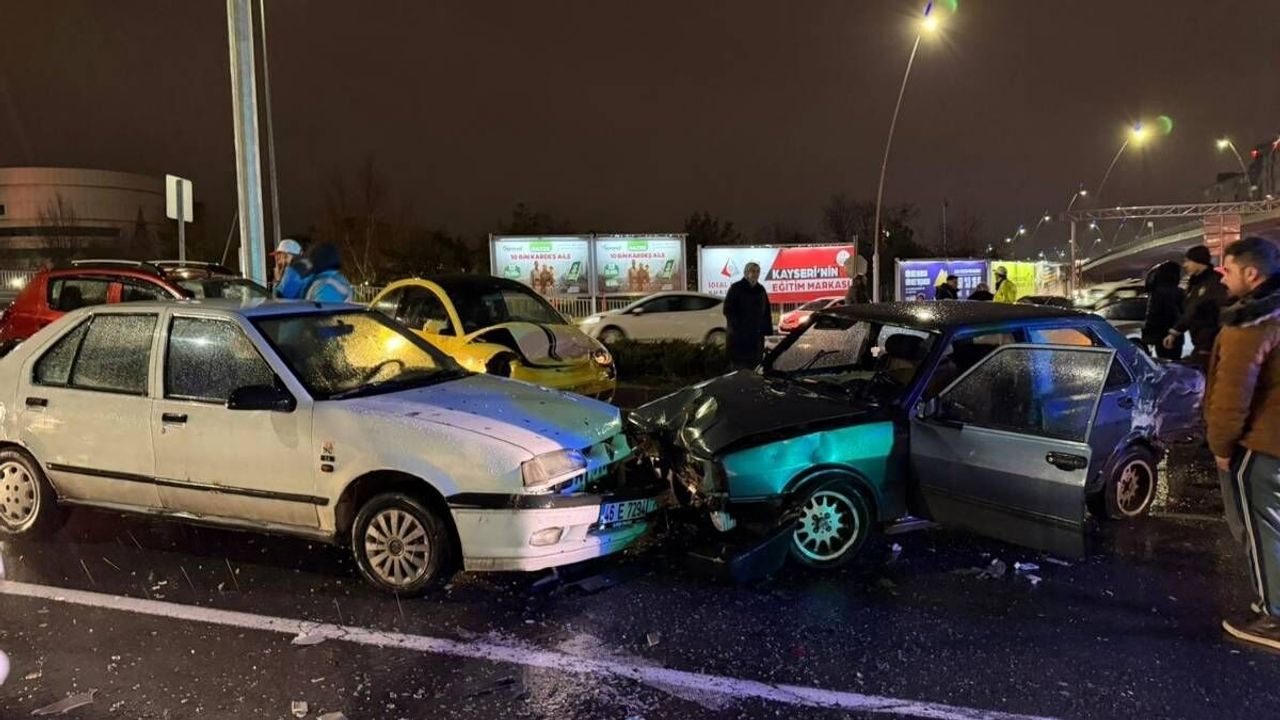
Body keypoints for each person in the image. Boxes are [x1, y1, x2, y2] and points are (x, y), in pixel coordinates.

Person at [1204, 237, 1280, 650]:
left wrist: (1220, 446)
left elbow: (1231, 395)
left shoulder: (1250, 323)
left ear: (1252, 274)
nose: (1223, 277)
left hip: (1261, 447)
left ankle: (1273, 618)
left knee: (1260, 530)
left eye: (1228, 270)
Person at [1164, 245, 1228, 367]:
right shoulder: (1196, 283)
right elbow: (1190, 310)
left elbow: (1194, 310)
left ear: (1198, 261)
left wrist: (1175, 331)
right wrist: (1175, 331)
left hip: (1209, 344)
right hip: (1201, 341)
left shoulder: (1214, 283)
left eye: (1188, 261)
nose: (1185, 265)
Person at [723, 262, 772, 369]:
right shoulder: (736, 288)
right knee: (739, 369)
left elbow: (766, 312)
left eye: (757, 271)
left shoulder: (761, 290)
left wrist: (765, 330)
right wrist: (737, 326)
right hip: (739, 338)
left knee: (754, 367)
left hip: (756, 338)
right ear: (746, 273)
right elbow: (728, 309)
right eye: (753, 271)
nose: (755, 274)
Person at [1143, 261, 1185, 360]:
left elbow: (1153, 315)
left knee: (1162, 361)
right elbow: (1175, 314)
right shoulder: (1177, 292)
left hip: (1159, 335)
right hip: (1170, 336)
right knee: (1173, 362)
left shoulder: (1155, 291)